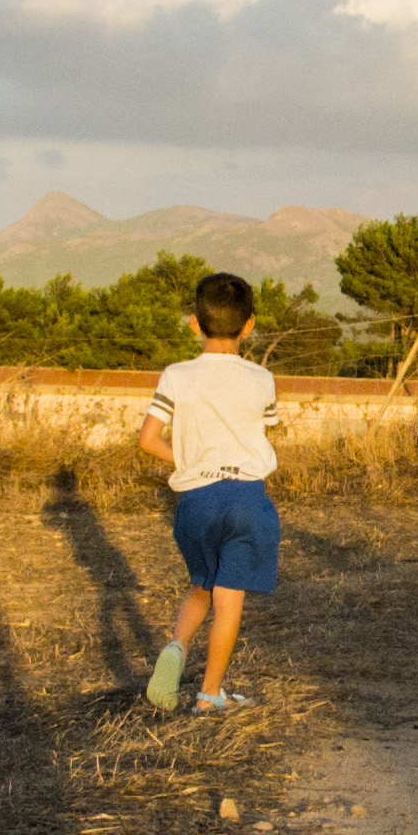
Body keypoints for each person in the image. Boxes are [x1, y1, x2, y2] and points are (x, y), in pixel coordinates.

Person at [136, 272, 279, 714]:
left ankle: (177, 646)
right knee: (228, 598)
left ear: (193, 323)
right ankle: (209, 694)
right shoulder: (262, 378)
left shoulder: (177, 375)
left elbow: (147, 439)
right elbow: (266, 428)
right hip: (246, 499)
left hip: (195, 502)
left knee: (202, 584)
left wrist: (188, 461)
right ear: (249, 325)